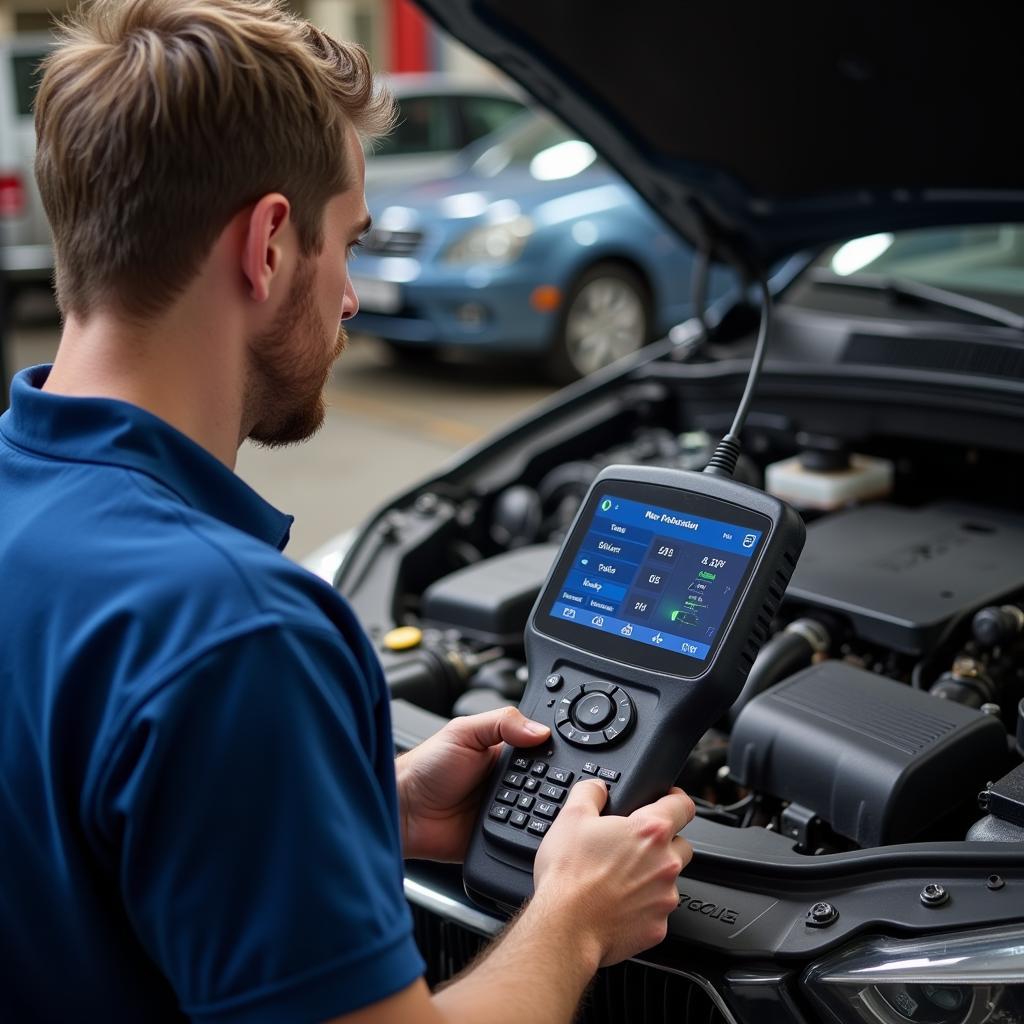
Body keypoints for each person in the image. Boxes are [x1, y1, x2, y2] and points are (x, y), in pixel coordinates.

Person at [0, 2, 696, 1021]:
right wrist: (575, 916)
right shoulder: (234, 632)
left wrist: (379, 805)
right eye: (350, 246)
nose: (353, 300)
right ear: (271, 244)